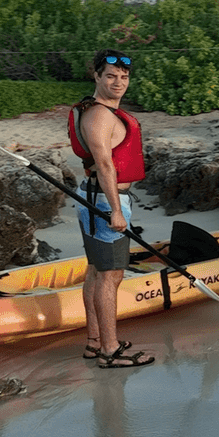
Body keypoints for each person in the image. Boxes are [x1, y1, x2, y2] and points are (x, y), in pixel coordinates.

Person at [70, 49, 153, 368]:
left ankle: (95, 342)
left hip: (95, 198)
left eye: (124, 77)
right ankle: (110, 350)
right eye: (111, 76)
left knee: (96, 271)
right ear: (97, 76)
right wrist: (116, 210)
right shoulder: (100, 115)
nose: (118, 82)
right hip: (104, 201)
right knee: (110, 275)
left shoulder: (95, 111)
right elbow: (105, 165)